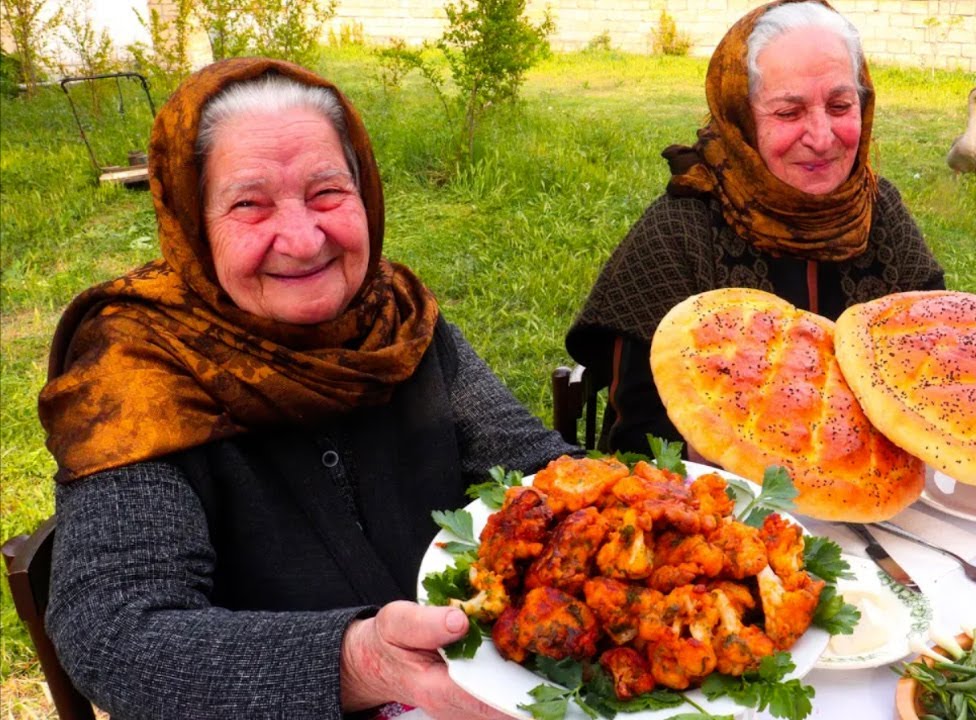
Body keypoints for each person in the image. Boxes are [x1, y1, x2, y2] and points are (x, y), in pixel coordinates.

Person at [37, 57, 578, 719]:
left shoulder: (396, 319)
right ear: (193, 222)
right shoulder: (134, 372)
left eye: (327, 193)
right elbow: (117, 633)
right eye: (248, 204)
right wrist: (360, 662)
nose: (301, 239)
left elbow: (539, 471)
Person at [566, 0, 946, 455]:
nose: (822, 137)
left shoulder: (881, 212)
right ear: (741, 118)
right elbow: (642, 439)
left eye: (840, 105)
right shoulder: (681, 231)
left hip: (873, 481)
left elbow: (938, 377)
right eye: (789, 113)